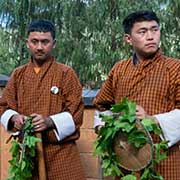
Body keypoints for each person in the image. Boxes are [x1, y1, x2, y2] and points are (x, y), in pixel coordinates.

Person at [93, 10, 180, 180]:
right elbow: (102, 106)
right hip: (127, 156)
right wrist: (104, 126)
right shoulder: (119, 69)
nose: (150, 36)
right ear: (128, 39)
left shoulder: (176, 68)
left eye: (155, 30)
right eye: (142, 31)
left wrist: (152, 119)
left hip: (165, 157)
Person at [0, 20, 85, 180]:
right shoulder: (18, 75)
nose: (39, 47)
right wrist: (14, 118)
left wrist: (49, 122)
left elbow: (76, 114)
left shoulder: (66, 73)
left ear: (54, 44)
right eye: (35, 41)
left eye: (45, 42)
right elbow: (4, 106)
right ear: (27, 43)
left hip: (61, 154)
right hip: (28, 154)